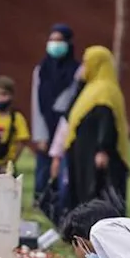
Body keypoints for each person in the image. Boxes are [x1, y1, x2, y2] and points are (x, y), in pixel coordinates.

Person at [64, 46, 130, 207]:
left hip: (95, 154)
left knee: (95, 195)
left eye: (87, 63)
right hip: (84, 151)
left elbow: (106, 120)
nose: (83, 67)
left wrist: (102, 149)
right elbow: (70, 112)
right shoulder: (91, 88)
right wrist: (79, 83)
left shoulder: (105, 90)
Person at [31, 24, 79, 204]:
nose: (55, 44)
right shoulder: (41, 70)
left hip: (66, 127)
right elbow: (36, 103)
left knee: (64, 173)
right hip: (46, 126)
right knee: (43, 173)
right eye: (52, 40)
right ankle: (41, 205)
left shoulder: (77, 71)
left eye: (60, 40)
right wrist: (40, 135)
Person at [0, 77, 30, 173]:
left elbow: (22, 141)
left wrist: (11, 162)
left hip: (7, 162)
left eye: (4, 94)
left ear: (11, 95)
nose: (0, 98)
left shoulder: (16, 117)